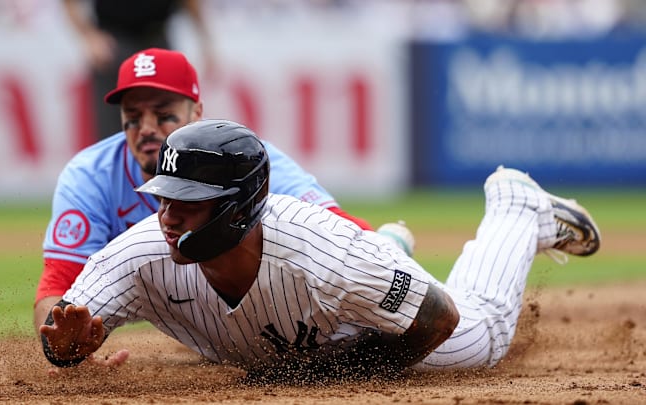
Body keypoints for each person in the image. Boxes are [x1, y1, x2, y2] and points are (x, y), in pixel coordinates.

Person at [39, 119, 601, 381]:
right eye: (163, 198)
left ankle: (514, 206)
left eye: (188, 200)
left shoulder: (322, 252)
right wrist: (65, 349)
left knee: (485, 332)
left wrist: (344, 373)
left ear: (239, 205)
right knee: (357, 271)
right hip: (304, 310)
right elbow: (67, 332)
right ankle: (387, 245)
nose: (167, 216)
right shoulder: (137, 257)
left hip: (365, 326)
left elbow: (440, 316)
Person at [33, 48, 413, 350]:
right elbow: (57, 284)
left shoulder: (242, 163)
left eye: (163, 115)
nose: (146, 128)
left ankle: (395, 240)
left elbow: (343, 233)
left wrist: (385, 253)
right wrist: (64, 345)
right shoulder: (91, 175)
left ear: (196, 113)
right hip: (181, 305)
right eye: (132, 117)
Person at [62, 0, 215, 140]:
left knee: (171, 126)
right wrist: (90, 36)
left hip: (157, 37)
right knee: (115, 132)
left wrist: (205, 40)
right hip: (115, 43)